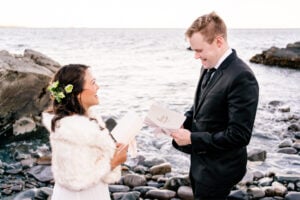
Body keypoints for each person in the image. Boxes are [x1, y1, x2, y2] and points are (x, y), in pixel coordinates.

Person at [170, 12, 259, 200]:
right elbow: (200, 106)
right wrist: (180, 122)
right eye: (193, 50)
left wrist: (192, 138)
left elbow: (239, 136)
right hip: (201, 163)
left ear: (218, 42)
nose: (195, 56)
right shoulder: (207, 65)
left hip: (220, 169)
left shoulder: (242, 77)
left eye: (200, 50)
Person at [42, 64, 128, 200]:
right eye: (93, 83)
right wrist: (113, 162)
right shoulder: (69, 130)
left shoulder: (88, 121)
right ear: (77, 93)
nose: (97, 87)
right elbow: (76, 179)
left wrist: (114, 150)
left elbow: (90, 161)